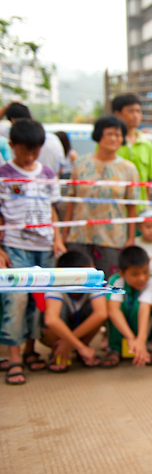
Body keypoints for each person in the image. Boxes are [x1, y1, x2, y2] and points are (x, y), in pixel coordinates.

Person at [0, 119, 66, 384]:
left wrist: (58, 238)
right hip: (16, 246)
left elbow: (53, 209)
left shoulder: (47, 174)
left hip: (45, 246)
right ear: (12, 146)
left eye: (35, 150)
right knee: (16, 300)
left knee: (40, 301)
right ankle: (14, 356)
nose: (30, 156)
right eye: (25, 150)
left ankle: (30, 350)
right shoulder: (4, 175)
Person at [63, 115, 139, 278]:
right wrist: (65, 232)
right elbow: (72, 199)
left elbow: (132, 206)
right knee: (77, 283)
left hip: (112, 238)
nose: (114, 138)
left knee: (107, 282)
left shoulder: (129, 169)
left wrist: (131, 237)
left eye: (119, 135)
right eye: (110, 134)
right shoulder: (80, 164)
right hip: (80, 235)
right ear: (98, 135)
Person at [42, 251, 107, 372]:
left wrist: (68, 342)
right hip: (60, 331)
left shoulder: (93, 283)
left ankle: (76, 349)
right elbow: (51, 320)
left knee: (97, 310)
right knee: (50, 314)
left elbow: (101, 313)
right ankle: (58, 352)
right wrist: (78, 345)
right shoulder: (55, 285)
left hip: (76, 330)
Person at [104, 246, 152, 368]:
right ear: (122, 273)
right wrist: (131, 338)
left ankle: (144, 346)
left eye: (145, 271)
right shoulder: (115, 281)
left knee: (142, 307)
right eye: (135, 274)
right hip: (124, 329)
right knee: (112, 307)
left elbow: (144, 308)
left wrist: (141, 340)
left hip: (141, 330)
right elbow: (114, 311)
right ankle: (115, 348)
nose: (142, 278)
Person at [112, 94, 152, 212]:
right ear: (117, 114)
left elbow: (150, 180)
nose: (136, 115)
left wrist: (147, 207)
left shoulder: (147, 145)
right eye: (131, 111)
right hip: (115, 209)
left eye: (138, 111)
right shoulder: (109, 143)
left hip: (140, 209)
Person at [2, 102, 65, 176]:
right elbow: (61, 167)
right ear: (31, 116)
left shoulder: (11, 137)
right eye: (24, 152)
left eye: (35, 152)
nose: (29, 158)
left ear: (13, 121)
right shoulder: (53, 139)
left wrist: (7, 105)